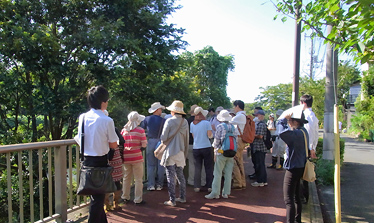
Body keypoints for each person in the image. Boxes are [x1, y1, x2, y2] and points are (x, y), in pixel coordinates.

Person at [75, 85, 119, 223]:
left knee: (96, 198)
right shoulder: (107, 120)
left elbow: (79, 138)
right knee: (97, 200)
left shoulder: (82, 117)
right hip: (101, 162)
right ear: (103, 101)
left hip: (86, 161)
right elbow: (113, 144)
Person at [279, 106, 309, 223]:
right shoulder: (303, 131)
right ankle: (297, 220)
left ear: (295, 121)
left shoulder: (296, 134)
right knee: (296, 197)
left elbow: (282, 133)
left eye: (290, 121)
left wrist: (282, 120)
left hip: (293, 167)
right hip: (301, 166)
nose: (288, 123)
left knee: (288, 199)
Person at [160, 100, 189, 207]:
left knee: (170, 177)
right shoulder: (185, 122)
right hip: (181, 151)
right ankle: (182, 197)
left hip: (170, 152)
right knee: (181, 176)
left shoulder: (169, 121)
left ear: (173, 111)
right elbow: (186, 138)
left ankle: (172, 200)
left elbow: (163, 138)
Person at [205, 110, 239, 199]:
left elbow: (217, 141)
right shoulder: (233, 127)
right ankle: (226, 193)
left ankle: (215, 193)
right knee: (228, 173)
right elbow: (236, 140)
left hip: (221, 152)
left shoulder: (220, 127)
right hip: (231, 153)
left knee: (217, 173)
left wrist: (215, 151)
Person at [121, 111, 148, 205]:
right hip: (136, 157)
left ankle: (125, 196)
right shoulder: (140, 130)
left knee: (126, 177)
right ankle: (138, 199)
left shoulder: (124, 130)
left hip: (125, 157)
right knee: (138, 179)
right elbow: (144, 144)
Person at [141, 102, 166, 191]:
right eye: (160, 109)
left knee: (151, 165)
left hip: (150, 141)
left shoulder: (147, 119)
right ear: (157, 110)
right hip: (160, 142)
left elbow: (141, 129)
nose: (161, 111)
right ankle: (159, 184)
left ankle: (150, 185)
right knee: (160, 165)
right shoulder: (164, 120)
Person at [103, 110, 124, 211]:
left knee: (106, 182)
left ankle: (107, 205)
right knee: (117, 181)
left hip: (104, 157)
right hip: (115, 157)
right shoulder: (113, 128)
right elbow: (122, 140)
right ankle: (116, 204)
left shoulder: (100, 129)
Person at [190, 106, 214, 192]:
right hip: (206, 146)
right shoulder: (206, 123)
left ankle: (197, 186)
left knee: (197, 167)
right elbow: (209, 135)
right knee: (208, 167)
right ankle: (209, 186)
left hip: (196, 147)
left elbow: (193, 136)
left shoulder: (192, 124)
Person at [300, 95, 319, 203]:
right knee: (304, 173)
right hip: (309, 148)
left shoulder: (307, 116)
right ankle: (303, 196)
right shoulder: (312, 115)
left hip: (305, 148)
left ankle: (303, 196)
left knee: (303, 173)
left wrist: (311, 148)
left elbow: (309, 134)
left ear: (304, 103)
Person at [186, 104, 206, 187]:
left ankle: (191, 180)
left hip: (190, 144)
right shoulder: (203, 121)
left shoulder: (187, 121)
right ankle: (202, 181)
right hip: (201, 144)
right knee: (202, 164)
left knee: (191, 163)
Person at [230, 100, 247, 189]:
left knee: (234, 160)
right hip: (241, 140)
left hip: (238, 140)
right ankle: (242, 181)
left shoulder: (239, 116)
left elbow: (228, 122)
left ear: (237, 106)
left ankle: (237, 182)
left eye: (234, 107)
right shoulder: (244, 116)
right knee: (239, 161)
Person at [251, 110, 268, 187]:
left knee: (259, 165)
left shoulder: (261, 124)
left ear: (261, 116)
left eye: (256, 115)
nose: (255, 117)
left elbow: (260, 136)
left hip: (260, 147)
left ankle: (260, 181)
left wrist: (252, 135)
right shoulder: (260, 124)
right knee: (260, 164)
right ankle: (263, 180)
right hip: (259, 147)